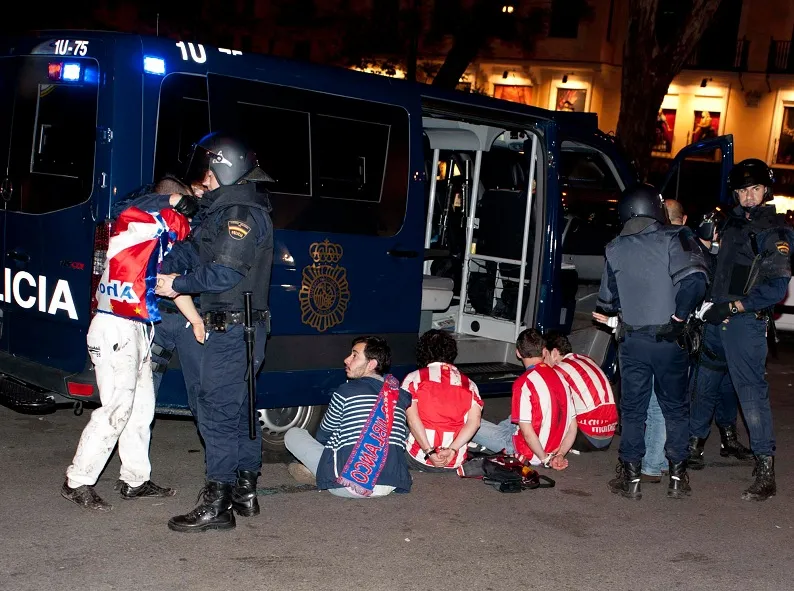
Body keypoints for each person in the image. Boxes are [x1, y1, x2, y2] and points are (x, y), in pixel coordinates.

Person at [155, 132, 275, 531]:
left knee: (218, 414)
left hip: (233, 331)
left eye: (207, 172)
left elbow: (224, 270)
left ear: (223, 168)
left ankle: (217, 503)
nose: (202, 180)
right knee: (239, 413)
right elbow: (197, 249)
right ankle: (245, 490)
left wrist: (178, 284)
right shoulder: (223, 212)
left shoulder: (239, 214)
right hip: (236, 329)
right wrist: (168, 262)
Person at [61, 181, 202, 511]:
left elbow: (171, 285)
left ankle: (135, 480)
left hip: (138, 328)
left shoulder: (158, 239)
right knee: (117, 409)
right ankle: (77, 481)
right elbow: (130, 202)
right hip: (114, 327)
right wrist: (175, 198)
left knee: (141, 411)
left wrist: (196, 321)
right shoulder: (135, 219)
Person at [594, 184, 708, 500]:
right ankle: (676, 476)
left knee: (633, 410)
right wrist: (679, 318)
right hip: (668, 341)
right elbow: (696, 280)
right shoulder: (676, 237)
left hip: (632, 341)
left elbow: (606, 301)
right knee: (675, 410)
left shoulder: (614, 247)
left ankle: (631, 478)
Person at [695, 159, 794, 501]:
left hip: (743, 322)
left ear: (765, 191)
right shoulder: (730, 223)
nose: (748, 196)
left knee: (750, 393)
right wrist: (706, 247)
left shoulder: (774, 229)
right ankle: (697, 446)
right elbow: (716, 271)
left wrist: (736, 306)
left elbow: (777, 287)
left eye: (754, 189)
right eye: (742, 190)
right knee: (708, 383)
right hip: (715, 318)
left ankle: (765, 469)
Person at [284, 336, 413, 498]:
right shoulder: (399, 395)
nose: (346, 360)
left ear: (371, 364)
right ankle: (317, 471)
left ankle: (319, 472)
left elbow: (324, 434)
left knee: (294, 434)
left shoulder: (346, 391)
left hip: (347, 486)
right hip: (391, 482)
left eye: (354, 355)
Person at [688, 207, 753, 469]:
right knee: (706, 387)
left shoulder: (736, 257)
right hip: (713, 332)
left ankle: (728, 438)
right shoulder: (704, 255)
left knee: (727, 389)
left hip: (734, 332)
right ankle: (695, 442)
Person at [471, 329, 576, 471]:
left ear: (518, 353)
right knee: (513, 418)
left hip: (524, 449)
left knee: (468, 421)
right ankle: (491, 434)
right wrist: (560, 454)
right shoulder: (562, 377)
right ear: (544, 351)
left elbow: (527, 432)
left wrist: (545, 459)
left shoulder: (524, 383)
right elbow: (572, 427)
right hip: (553, 445)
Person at [401, 330, 483, 473]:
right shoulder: (469, 384)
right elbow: (474, 423)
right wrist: (452, 450)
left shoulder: (414, 378)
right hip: (454, 461)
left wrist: (429, 452)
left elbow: (412, 419)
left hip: (418, 459)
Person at [543, 332, 617, 452]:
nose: (543, 361)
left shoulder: (559, 369)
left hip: (586, 437)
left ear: (555, 352)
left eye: (544, 356)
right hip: (607, 437)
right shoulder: (586, 359)